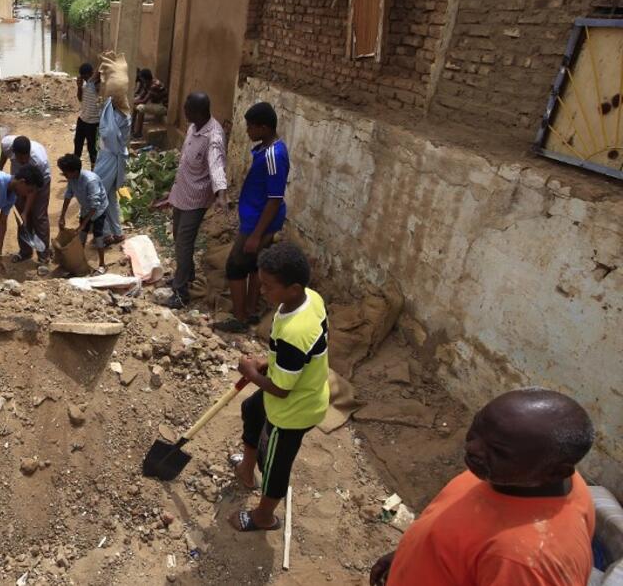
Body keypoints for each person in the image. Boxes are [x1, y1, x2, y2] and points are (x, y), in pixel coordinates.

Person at [370, 388, 596, 586]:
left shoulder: (525, 561)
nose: (472, 447)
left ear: (555, 472)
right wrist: (411, 557)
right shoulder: (516, 478)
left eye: (499, 451)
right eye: (477, 428)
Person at [229, 242, 328, 533]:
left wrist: (250, 371)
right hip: (291, 386)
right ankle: (247, 470)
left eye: (268, 286)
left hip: (293, 409)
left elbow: (282, 390)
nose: (262, 291)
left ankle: (264, 517)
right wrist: (266, 363)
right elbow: (297, 360)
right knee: (251, 408)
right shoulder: (310, 298)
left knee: (275, 466)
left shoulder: (295, 332)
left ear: (293, 288)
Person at [217, 101, 289, 333]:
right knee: (253, 265)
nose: (247, 131)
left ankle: (239, 317)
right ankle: (250, 309)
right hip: (255, 218)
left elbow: (275, 198)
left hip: (258, 222)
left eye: (250, 127)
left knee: (236, 265)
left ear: (264, 128)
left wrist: (256, 234)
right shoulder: (267, 150)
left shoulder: (273, 156)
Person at [158, 92, 228, 309]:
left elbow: (217, 167)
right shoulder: (193, 127)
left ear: (199, 112)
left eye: (187, 110)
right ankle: (187, 278)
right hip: (181, 193)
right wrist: (171, 194)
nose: (184, 113)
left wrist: (221, 194)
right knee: (179, 238)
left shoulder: (213, 137)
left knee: (184, 244)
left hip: (196, 199)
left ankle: (180, 294)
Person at [0, 134, 51, 263]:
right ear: (14, 152)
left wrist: (26, 212)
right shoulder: (6, 144)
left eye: (25, 157)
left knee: (39, 217)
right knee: (22, 221)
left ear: (29, 153)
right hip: (20, 182)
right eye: (19, 157)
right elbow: (4, 156)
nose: (22, 160)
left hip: (40, 182)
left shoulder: (38, 161)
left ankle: (44, 256)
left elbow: (32, 191)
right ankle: (25, 251)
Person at [57, 153, 109, 272]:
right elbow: (68, 195)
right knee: (81, 235)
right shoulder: (72, 179)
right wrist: (62, 216)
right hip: (86, 208)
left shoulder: (90, 181)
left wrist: (83, 224)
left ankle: (102, 264)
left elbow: (95, 206)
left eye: (66, 173)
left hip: (99, 209)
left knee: (98, 235)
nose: (64, 175)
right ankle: (79, 260)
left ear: (75, 171)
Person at [93, 96, 130, 246]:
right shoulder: (109, 105)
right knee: (109, 196)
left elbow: (109, 135)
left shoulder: (124, 118)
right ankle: (117, 232)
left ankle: (105, 233)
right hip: (104, 155)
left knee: (98, 192)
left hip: (112, 158)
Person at [75, 62, 102, 167]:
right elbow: (80, 98)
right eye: (82, 76)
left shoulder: (97, 85)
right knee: (77, 145)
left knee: (92, 149)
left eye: (85, 76)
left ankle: (93, 170)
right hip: (82, 119)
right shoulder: (86, 84)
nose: (84, 78)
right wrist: (79, 87)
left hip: (93, 123)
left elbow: (99, 71)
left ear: (91, 74)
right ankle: (75, 167)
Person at [131, 68, 168, 139]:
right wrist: (133, 100)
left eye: (142, 79)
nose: (141, 81)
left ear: (146, 79)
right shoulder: (147, 83)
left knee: (140, 107)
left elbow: (144, 101)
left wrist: (132, 101)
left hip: (163, 107)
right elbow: (141, 96)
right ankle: (131, 130)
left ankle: (138, 133)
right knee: (135, 106)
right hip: (156, 105)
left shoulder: (155, 85)